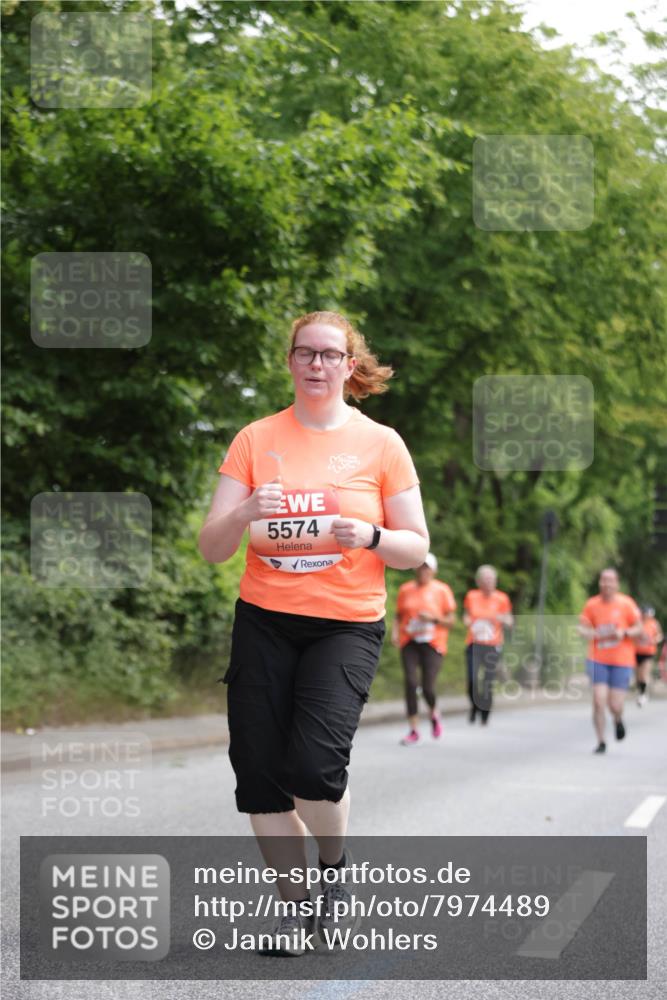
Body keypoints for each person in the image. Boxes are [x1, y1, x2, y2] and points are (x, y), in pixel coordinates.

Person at [199, 310, 429, 955]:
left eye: (331, 354)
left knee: (313, 767)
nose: (318, 364)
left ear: (349, 364)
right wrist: (244, 510)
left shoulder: (382, 443)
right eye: (307, 353)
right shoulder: (255, 438)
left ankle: (333, 871)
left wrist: (375, 535)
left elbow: (415, 546)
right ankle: (298, 915)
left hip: (345, 626)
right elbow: (213, 547)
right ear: (292, 361)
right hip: (265, 620)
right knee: (259, 776)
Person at [391, 553, 456, 745]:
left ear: (433, 571)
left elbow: (452, 621)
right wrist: (395, 632)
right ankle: (413, 730)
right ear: (414, 568)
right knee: (411, 683)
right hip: (409, 641)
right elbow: (397, 615)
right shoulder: (406, 590)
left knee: (428, 686)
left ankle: (434, 713)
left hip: (433, 643)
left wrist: (433, 619)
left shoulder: (442, 590)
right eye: (420, 567)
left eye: (427, 567)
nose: (423, 571)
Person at [578, 568, 643, 754]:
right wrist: (591, 633)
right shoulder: (592, 604)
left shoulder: (626, 604)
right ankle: (601, 741)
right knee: (599, 701)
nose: (606, 584)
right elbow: (581, 629)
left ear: (617, 583)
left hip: (622, 660)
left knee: (615, 705)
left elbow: (639, 628)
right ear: (599, 583)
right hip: (597, 659)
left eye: (610, 580)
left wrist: (624, 633)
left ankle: (617, 719)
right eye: (603, 580)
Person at [462, 565, 513, 726]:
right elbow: (466, 616)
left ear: (496, 581)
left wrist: (503, 619)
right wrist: (467, 621)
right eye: (485, 579)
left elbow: (510, 621)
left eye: (491, 579)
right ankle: (474, 706)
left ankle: (485, 713)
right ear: (479, 582)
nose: (488, 582)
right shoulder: (472, 596)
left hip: (492, 645)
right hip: (474, 643)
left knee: (487, 681)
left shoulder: (502, 599)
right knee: (472, 680)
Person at [634, 605, 664, 706]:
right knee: (638, 676)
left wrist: (655, 640)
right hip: (636, 652)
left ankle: (643, 695)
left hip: (648, 652)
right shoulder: (637, 623)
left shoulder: (654, 623)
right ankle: (641, 692)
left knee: (644, 674)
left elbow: (659, 635)